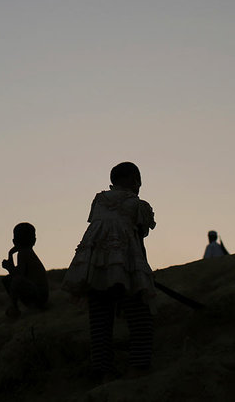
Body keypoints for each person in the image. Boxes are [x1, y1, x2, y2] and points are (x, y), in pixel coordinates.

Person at [62, 162, 156, 378]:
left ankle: (102, 369)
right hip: (125, 264)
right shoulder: (138, 205)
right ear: (135, 180)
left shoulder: (99, 200)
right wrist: (143, 272)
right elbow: (139, 242)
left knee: (100, 320)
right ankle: (138, 367)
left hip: (94, 266)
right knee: (140, 314)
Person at [1, 222, 49, 317]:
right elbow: (19, 273)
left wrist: (9, 267)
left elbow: (19, 276)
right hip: (37, 292)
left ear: (14, 241)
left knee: (15, 280)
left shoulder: (24, 253)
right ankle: (17, 307)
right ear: (34, 240)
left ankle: (15, 307)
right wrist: (10, 255)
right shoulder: (25, 253)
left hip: (39, 295)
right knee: (8, 279)